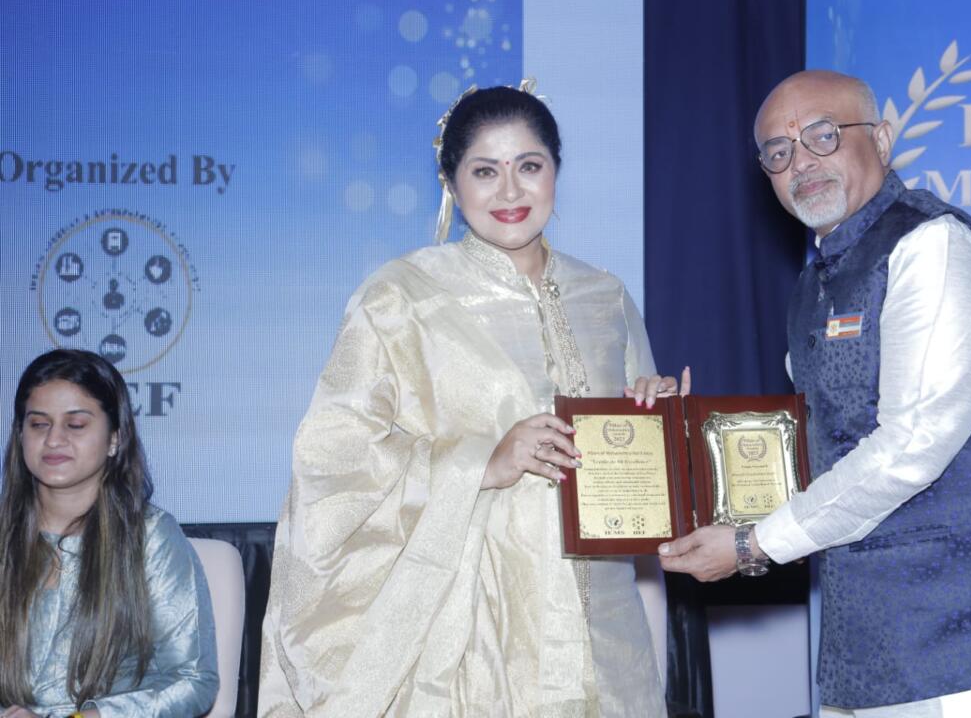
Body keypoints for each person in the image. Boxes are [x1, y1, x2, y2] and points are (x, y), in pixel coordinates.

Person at [659, 70, 971, 716]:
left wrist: (754, 543)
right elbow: (821, 452)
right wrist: (675, 449)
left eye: (823, 136)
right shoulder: (814, 286)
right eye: (778, 152)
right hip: (871, 640)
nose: (801, 163)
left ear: (883, 139)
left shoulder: (932, 245)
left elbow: (912, 446)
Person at [258, 82, 684, 717]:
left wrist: (662, 420)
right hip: (471, 627)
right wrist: (482, 461)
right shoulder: (401, 297)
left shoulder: (606, 298)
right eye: (485, 171)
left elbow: (646, 489)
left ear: (556, 171)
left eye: (529, 166)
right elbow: (331, 457)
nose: (510, 192)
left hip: (604, 621)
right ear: (452, 184)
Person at [0, 349, 218, 718]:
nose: (53, 439)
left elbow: (192, 680)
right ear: (20, 435)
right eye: (38, 424)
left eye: (75, 425)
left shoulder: (149, 536)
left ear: (114, 438)